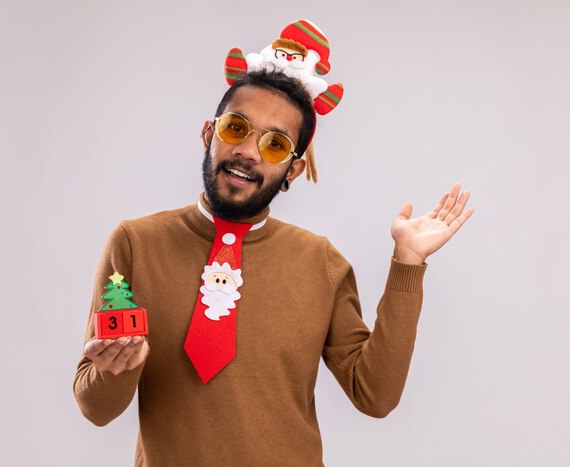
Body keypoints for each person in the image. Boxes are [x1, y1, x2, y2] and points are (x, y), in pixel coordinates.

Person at [73, 70, 473, 466]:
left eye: (275, 144)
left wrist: (408, 262)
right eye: (236, 128)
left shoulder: (322, 263)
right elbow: (96, 407)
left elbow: (375, 395)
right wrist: (114, 370)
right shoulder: (135, 244)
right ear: (209, 135)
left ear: (293, 171)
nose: (248, 150)